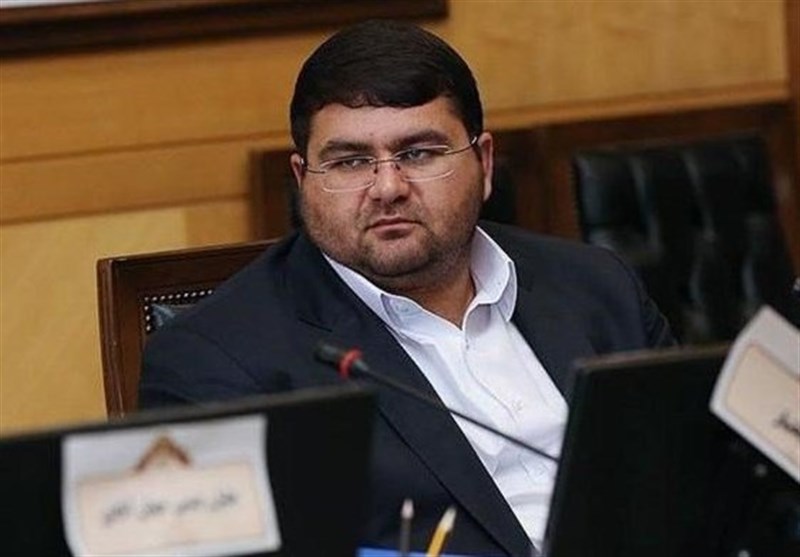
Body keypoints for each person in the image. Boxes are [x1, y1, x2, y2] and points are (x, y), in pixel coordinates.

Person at [140, 20, 675, 556]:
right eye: (350, 161)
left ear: (484, 163)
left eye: (419, 153)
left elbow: (695, 473)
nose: (388, 188)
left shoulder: (597, 285)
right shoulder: (217, 363)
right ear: (303, 181)